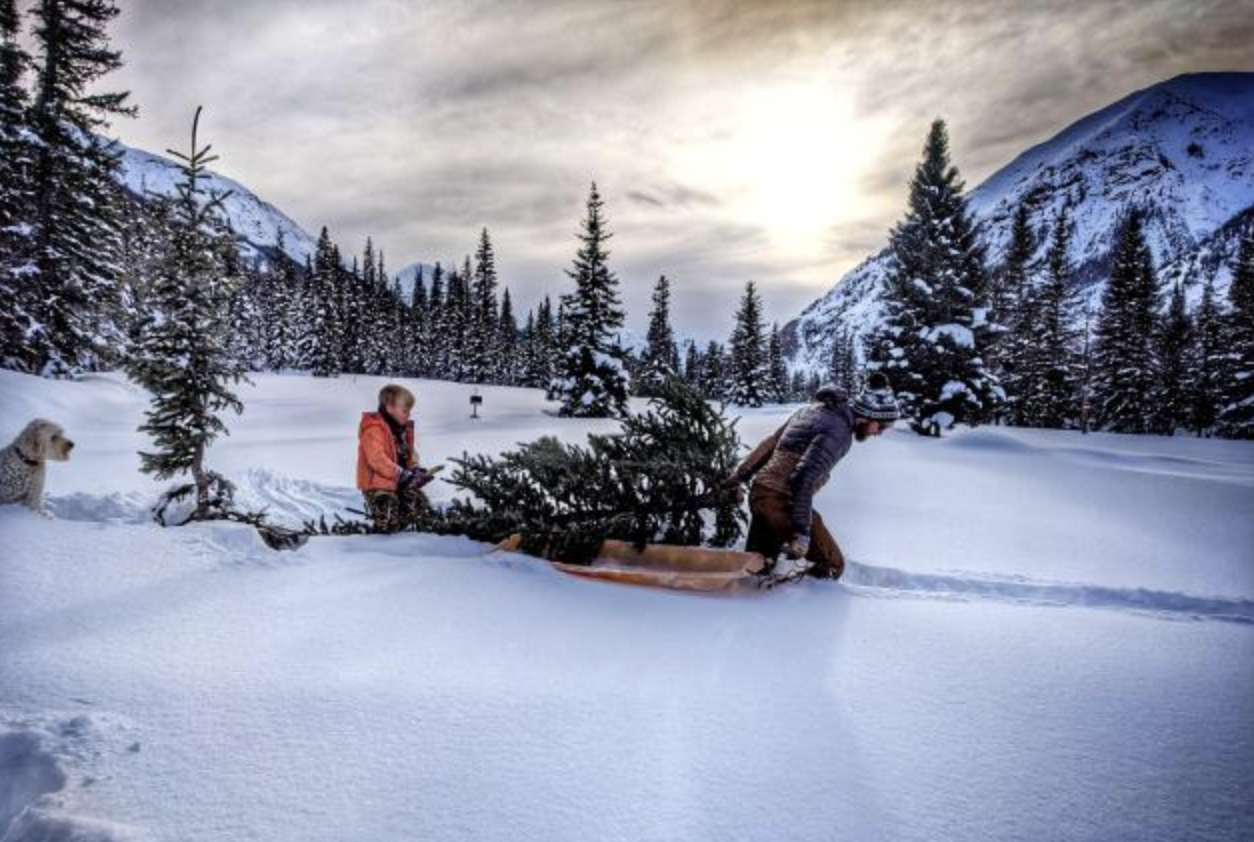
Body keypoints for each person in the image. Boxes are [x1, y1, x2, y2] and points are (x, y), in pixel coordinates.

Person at [725, 373, 900, 580]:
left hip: (760, 494)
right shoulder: (839, 431)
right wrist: (801, 532)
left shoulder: (809, 411)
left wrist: (739, 477)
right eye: (882, 425)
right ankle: (805, 603)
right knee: (832, 565)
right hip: (781, 501)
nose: (879, 432)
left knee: (758, 565)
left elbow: (770, 444)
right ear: (869, 415)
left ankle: (750, 598)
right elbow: (803, 478)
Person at [357, 384, 436, 532]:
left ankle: (403, 534)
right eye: (405, 411)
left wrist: (414, 468)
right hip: (378, 485)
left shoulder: (402, 431)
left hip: (399, 481)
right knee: (387, 508)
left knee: (419, 503)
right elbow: (376, 458)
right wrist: (402, 475)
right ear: (389, 407)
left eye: (409, 411)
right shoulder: (374, 428)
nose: (408, 415)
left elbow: (410, 453)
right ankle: (380, 539)